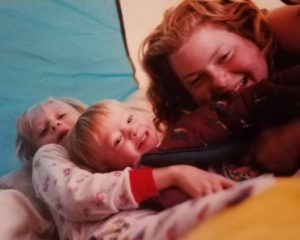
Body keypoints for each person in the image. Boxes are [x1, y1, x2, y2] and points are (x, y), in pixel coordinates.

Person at [17, 96, 254, 240]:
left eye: (61, 115)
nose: (56, 124)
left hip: (155, 218)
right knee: (233, 204)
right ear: (33, 150)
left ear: (81, 113)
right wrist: (170, 176)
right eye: (44, 130)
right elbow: (76, 195)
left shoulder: (113, 139)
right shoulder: (50, 155)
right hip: (114, 232)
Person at [141, 0, 300, 176]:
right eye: (197, 80)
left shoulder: (279, 26)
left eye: (225, 56)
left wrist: (290, 136)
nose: (220, 82)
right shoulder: (210, 127)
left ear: (251, 34)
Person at [66, 99, 235, 209]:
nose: (131, 130)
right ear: (108, 169)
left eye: (130, 119)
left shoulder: (176, 129)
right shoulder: (139, 175)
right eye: (117, 140)